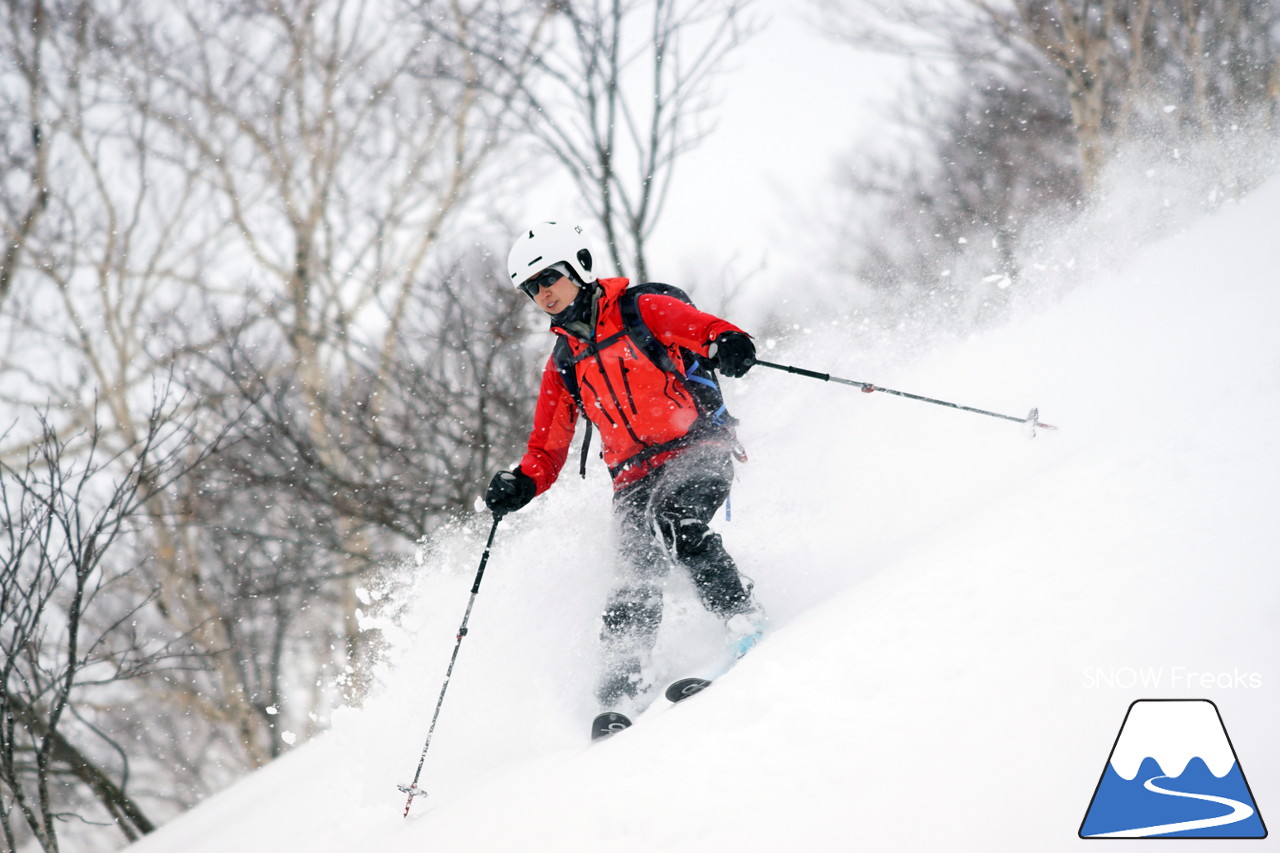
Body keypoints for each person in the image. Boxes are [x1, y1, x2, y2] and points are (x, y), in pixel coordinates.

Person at [484, 221, 767, 733]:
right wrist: (521, 483)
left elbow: (701, 326)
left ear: (579, 268)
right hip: (633, 478)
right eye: (532, 287)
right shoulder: (565, 361)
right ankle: (621, 690)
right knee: (632, 576)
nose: (543, 293)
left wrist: (729, 342)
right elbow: (547, 446)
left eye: (549, 277)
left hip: (698, 446)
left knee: (676, 523)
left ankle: (743, 618)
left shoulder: (642, 311)